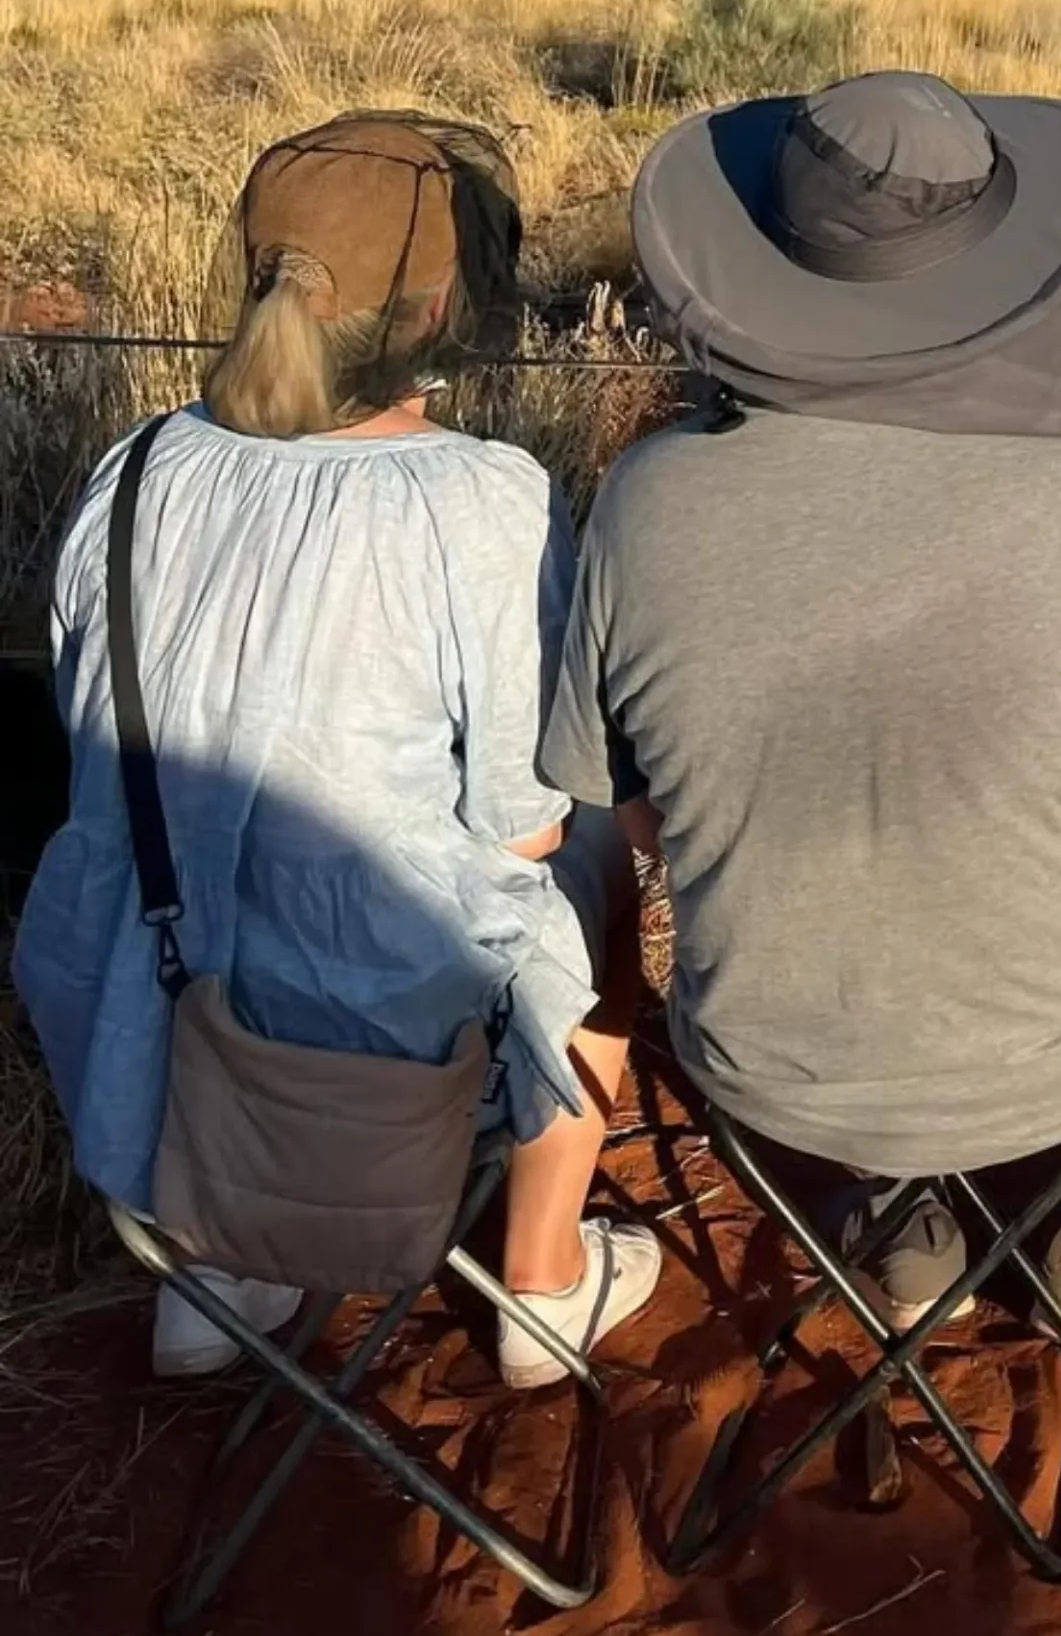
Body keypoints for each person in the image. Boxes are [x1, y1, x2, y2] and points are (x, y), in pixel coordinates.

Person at [540, 70, 1061, 1343]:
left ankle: (900, 1219)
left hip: (772, 1069)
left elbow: (642, 820)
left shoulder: (644, 502)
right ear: (993, 271)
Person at [13, 114, 660, 1382]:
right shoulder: (480, 498)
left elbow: (87, 717)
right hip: (371, 1049)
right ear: (438, 303)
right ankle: (540, 1280)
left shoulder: (133, 468)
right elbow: (519, 818)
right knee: (584, 870)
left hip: (143, 1019)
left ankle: (214, 1276)